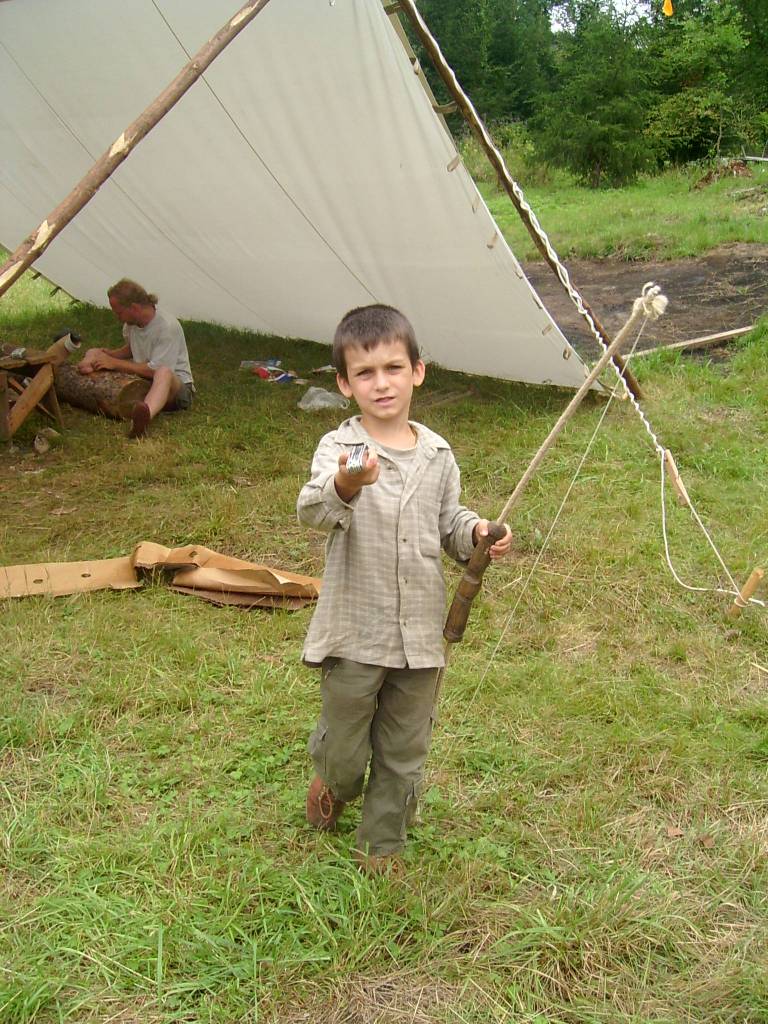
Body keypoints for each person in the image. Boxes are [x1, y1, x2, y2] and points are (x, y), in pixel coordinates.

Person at [297, 304, 512, 874]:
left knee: (403, 748)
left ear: (417, 371)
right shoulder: (342, 447)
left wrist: (476, 533)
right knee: (347, 751)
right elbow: (312, 509)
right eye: (364, 373)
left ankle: (381, 845)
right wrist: (347, 482)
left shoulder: (437, 454)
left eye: (393, 368)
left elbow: (448, 522)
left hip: (419, 636)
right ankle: (333, 780)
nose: (381, 383)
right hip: (354, 633)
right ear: (345, 384)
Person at [78, 278, 194, 438]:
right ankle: (85, 368)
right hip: (144, 381)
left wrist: (115, 363)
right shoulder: (131, 324)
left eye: (119, 312)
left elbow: (155, 370)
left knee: (163, 372)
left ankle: (144, 416)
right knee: (95, 351)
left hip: (176, 390)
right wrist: (107, 354)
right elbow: (132, 348)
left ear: (134, 308)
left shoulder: (167, 327)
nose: (117, 317)